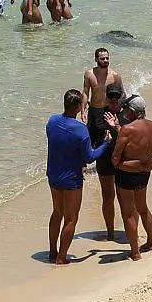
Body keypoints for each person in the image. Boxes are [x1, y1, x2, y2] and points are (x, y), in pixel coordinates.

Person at [45, 88, 111, 265]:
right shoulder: (80, 130)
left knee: (57, 212)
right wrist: (105, 144)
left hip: (53, 175)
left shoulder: (52, 121)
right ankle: (61, 257)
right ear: (77, 107)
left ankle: (52, 251)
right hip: (71, 179)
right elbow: (89, 157)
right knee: (71, 218)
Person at [112, 95, 152, 258]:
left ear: (131, 111)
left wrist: (120, 163)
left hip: (127, 175)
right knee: (142, 208)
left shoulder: (127, 129)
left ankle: (135, 252)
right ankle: (151, 242)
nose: (124, 111)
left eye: (125, 109)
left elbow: (115, 158)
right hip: (144, 173)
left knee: (127, 213)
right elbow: (143, 146)